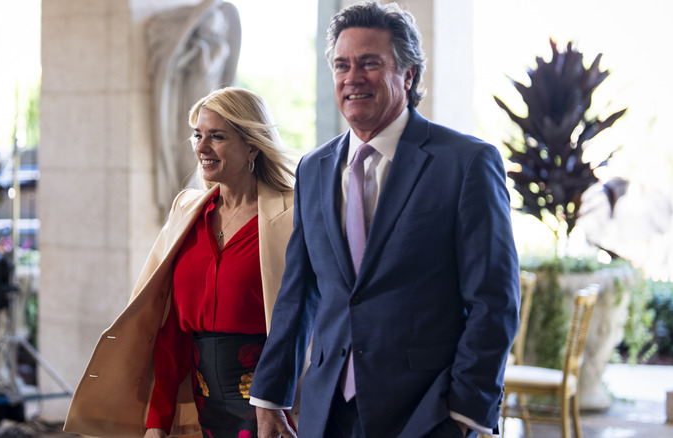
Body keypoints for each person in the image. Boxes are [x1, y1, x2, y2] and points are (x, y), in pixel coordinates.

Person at [248, 2, 520, 438]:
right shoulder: (312, 169)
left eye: (369, 63)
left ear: (408, 75)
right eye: (341, 65)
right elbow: (298, 294)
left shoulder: (466, 163)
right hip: (326, 412)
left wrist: (467, 414)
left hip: (426, 413)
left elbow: (495, 301)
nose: (352, 77)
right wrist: (270, 396)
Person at [63, 87, 297, 438]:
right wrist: (157, 418)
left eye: (217, 136)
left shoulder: (293, 214)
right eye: (198, 135)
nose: (201, 147)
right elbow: (171, 328)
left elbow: (302, 319)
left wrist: (274, 399)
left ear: (252, 145)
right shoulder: (187, 211)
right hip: (204, 402)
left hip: (270, 398)